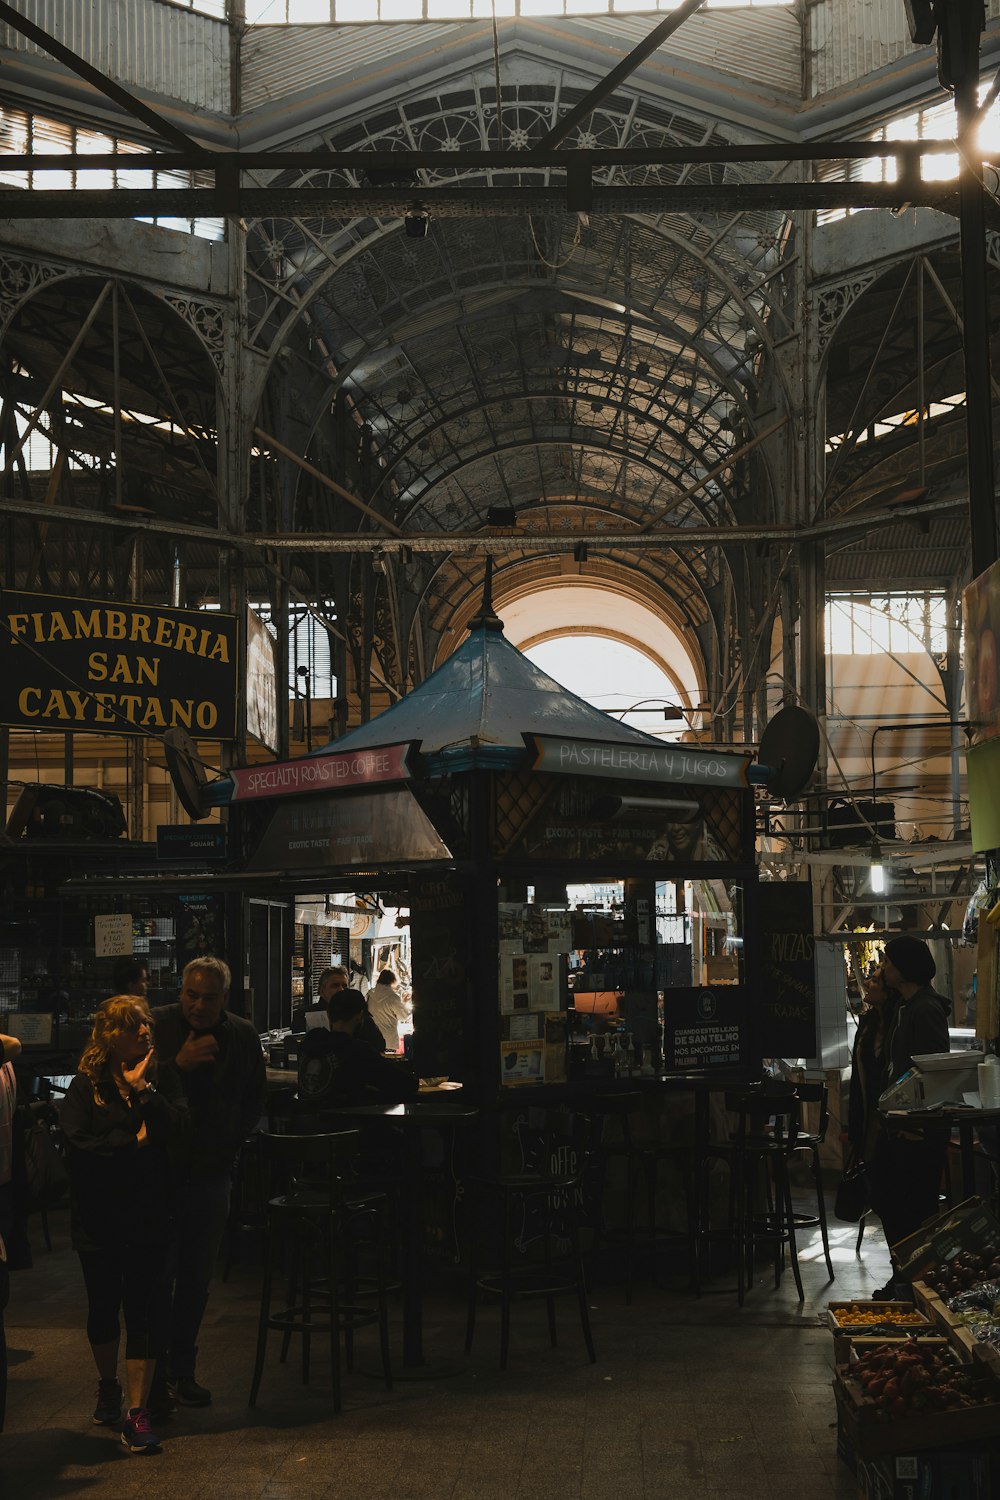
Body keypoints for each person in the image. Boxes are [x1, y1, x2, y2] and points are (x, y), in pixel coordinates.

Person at [59, 996, 188, 1456]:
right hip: (98, 1218)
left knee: (144, 1310)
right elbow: (79, 1149)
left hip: (149, 1214)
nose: (146, 1033)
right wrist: (132, 1142)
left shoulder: (161, 1075)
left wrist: (141, 1093)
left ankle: (137, 1412)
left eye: (147, 1025)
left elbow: (175, 1128)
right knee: (102, 1307)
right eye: (135, 1027)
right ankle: (108, 1385)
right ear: (111, 1036)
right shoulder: (85, 1086)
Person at [151, 956, 265, 1410]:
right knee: (157, 1278)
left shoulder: (241, 1035)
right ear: (181, 990)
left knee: (197, 1279)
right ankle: (153, 1377)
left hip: (212, 1173)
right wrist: (175, 1064)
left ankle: (184, 1371)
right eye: (190, 994)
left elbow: (254, 1097)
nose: (197, 1005)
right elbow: (129, 1086)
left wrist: (229, 1142)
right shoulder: (156, 1026)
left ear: (225, 998)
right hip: (160, 1175)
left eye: (208, 997)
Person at [866, 935, 951, 1299]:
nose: (883, 968)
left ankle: (915, 1282)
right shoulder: (905, 1007)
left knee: (913, 1207)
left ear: (904, 968)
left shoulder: (925, 1009)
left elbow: (931, 1073)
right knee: (888, 1198)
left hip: (916, 1129)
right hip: (897, 1125)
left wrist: (917, 1123)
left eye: (889, 962)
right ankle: (905, 1275)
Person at [297, 988, 418, 1114]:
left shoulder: (310, 1042)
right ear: (360, 1017)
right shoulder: (357, 1050)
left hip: (304, 1127)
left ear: (328, 1015)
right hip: (349, 1129)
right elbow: (404, 1083)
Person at [367, 969, 413, 1053]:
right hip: (389, 1041)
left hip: (372, 1038)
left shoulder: (370, 994)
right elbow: (404, 1016)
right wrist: (404, 1003)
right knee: (388, 1063)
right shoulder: (393, 997)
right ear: (393, 981)